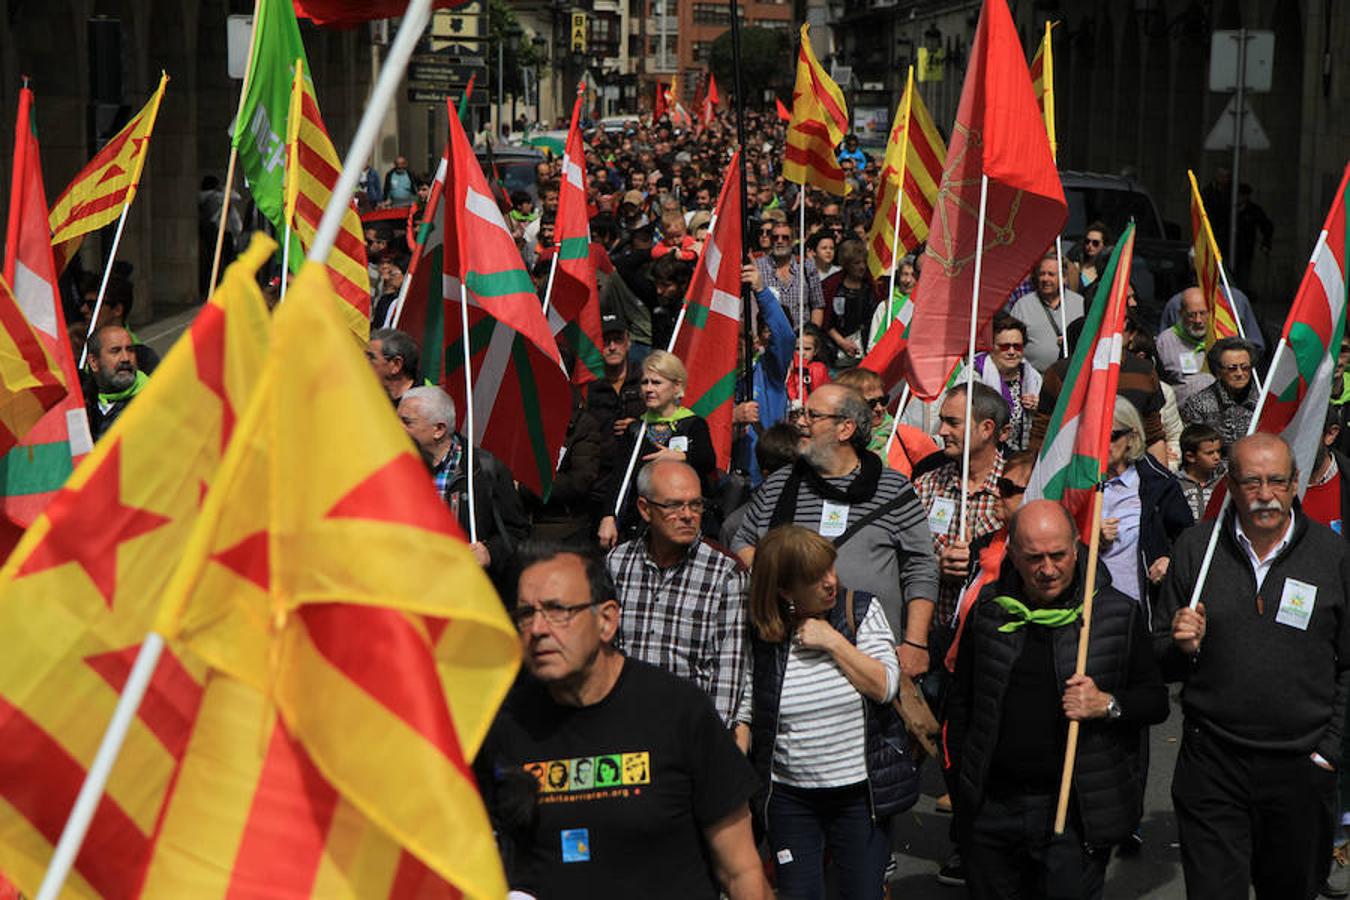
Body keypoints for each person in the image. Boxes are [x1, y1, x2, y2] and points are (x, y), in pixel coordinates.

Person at [477, 543, 770, 899]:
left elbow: (742, 872)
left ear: (607, 620)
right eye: (525, 614)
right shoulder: (503, 726)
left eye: (557, 611)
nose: (538, 628)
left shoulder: (679, 711)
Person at [1157, 433, 1350, 900]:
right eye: (1251, 482)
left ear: (1295, 484)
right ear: (1231, 484)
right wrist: (1180, 646)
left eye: (1277, 482)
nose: (1265, 495)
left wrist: (1329, 750)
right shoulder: (1195, 549)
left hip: (1300, 766)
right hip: (1213, 762)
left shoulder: (1333, 555)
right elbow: (1156, 657)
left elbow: (1349, 662)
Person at [945, 500, 1168, 900]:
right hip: (993, 810)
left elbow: (1155, 701)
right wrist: (964, 788)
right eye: (1033, 558)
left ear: (1078, 547)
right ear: (1012, 555)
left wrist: (1107, 704)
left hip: (1073, 812)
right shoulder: (991, 610)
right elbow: (961, 703)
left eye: (1058, 555)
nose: (1047, 569)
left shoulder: (1115, 613)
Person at [736, 525, 916, 898]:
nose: (830, 582)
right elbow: (747, 709)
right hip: (790, 796)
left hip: (857, 794)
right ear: (785, 589)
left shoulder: (859, 610)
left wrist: (833, 641)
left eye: (830, 569)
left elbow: (884, 686)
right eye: (815, 578)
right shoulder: (761, 633)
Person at [732, 383, 939, 680]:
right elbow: (743, 539)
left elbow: (920, 566)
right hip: (789, 655)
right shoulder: (779, 485)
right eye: (801, 414)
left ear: (845, 429)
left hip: (870, 654)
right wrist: (775, 578)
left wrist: (915, 642)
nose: (800, 422)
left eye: (812, 415)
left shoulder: (893, 489)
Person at [606, 460, 749, 726]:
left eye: (695, 504)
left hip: (688, 730)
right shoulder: (617, 563)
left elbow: (729, 668)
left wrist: (709, 739)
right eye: (674, 505)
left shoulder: (724, 573)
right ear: (645, 509)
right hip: (623, 723)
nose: (688, 515)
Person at [396, 386, 529, 595]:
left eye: (407, 422)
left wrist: (490, 553)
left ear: (438, 429)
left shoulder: (483, 469)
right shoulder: (394, 467)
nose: (396, 428)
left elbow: (516, 532)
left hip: (467, 594)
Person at [913, 382, 1009, 628]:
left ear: (987, 428)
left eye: (953, 423)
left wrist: (979, 562)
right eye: (942, 421)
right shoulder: (927, 484)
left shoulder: (1016, 488)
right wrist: (938, 567)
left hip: (992, 633)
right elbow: (905, 557)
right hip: (935, 632)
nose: (942, 431)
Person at [605, 350, 716, 542]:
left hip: (685, 522)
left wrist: (681, 458)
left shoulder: (692, 423)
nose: (648, 389)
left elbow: (708, 462)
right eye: (644, 382)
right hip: (641, 523)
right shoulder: (635, 428)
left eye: (656, 382)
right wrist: (608, 516)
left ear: (676, 386)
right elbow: (619, 477)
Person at [1099, 398, 1194, 609]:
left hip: (1140, 606)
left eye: (1111, 435)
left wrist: (1168, 560)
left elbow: (1187, 539)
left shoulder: (1158, 483)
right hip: (1090, 606)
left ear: (1131, 437)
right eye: (1096, 433)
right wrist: (1087, 535)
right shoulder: (1076, 485)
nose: (1102, 442)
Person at [734, 263, 796, 487]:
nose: (738, 345)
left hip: (766, 477)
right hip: (728, 479)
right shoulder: (717, 379)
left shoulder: (769, 369)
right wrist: (732, 417)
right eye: (733, 340)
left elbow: (785, 338)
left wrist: (762, 291)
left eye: (742, 339)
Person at [974, 313, 1042, 452]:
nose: (1012, 352)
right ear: (991, 347)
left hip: (1021, 457)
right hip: (984, 453)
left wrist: (1039, 408)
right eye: (1005, 346)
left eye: (1017, 346)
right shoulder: (974, 376)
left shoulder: (1033, 378)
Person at [1179, 336, 1260, 452]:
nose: (1240, 373)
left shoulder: (1264, 400)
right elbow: (1197, 452)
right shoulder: (1197, 404)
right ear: (1218, 371)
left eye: (1245, 367)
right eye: (1232, 368)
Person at [1009, 254, 1085, 372]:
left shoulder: (1080, 304)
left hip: (1072, 378)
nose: (1045, 279)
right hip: (1035, 380)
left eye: (1051, 274)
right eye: (1042, 274)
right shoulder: (1022, 306)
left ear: (1064, 278)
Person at [819, 239, 880, 367]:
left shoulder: (873, 286)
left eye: (864, 262)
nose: (862, 267)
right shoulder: (832, 286)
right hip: (836, 352)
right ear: (846, 264)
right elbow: (826, 321)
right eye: (856, 263)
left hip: (867, 349)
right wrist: (842, 342)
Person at [756, 221, 825, 330]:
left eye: (785, 238)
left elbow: (818, 306)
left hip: (800, 339)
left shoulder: (807, 267)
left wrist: (812, 336)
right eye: (775, 237)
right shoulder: (758, 267)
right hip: (770, 337)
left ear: (792, 241)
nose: (780, 241)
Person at [86, 324, 146, 440]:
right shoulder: (84, 404)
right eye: (115, 351)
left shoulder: (152, 399)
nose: (125, 358)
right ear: (93, 362)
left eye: (130, 350)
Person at [1156, 287, 1214, 405]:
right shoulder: (1165, 342)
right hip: (1183, 417)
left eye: (1202, 313)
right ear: (1181, 313)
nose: (1198, 320)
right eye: (1192, 315)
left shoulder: (1220, 337)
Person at [1176, 422, 1226, 521]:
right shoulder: (1175, 485)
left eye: (1218, 451)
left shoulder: (1224, 481)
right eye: (1210, 453)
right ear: (1190, 457)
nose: (1217, 457)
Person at [868, 256, 917, 349]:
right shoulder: (886, 306)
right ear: (898, 276)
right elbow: (872, 345)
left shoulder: (925, 306)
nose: (908, 280)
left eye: (913, 275)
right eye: (905, 274)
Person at [365, 327, 418, 405]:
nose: (363, 363)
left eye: (371, 358)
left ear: (396, 365)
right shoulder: (365, 394)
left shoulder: (422, 407)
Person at [786, 329, 830, 405]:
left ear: (816, 351)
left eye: (807, 349)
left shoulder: (819, 369)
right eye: (797, 349)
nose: (802, 353)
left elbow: (824, 395)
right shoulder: (787, 368)